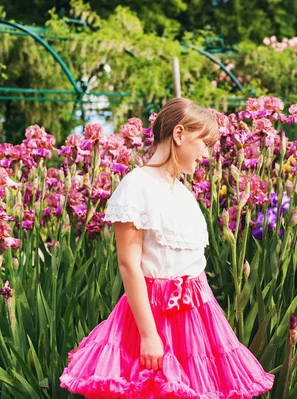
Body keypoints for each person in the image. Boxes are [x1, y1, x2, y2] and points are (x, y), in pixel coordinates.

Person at [60, 98, 275, 398]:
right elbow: (129, 265)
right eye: (204, 143)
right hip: (154, 314)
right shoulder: (137, 186)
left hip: (197, 315)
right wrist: (149, 335)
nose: (207, 153)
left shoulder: (182, 192)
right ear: (179, 135)